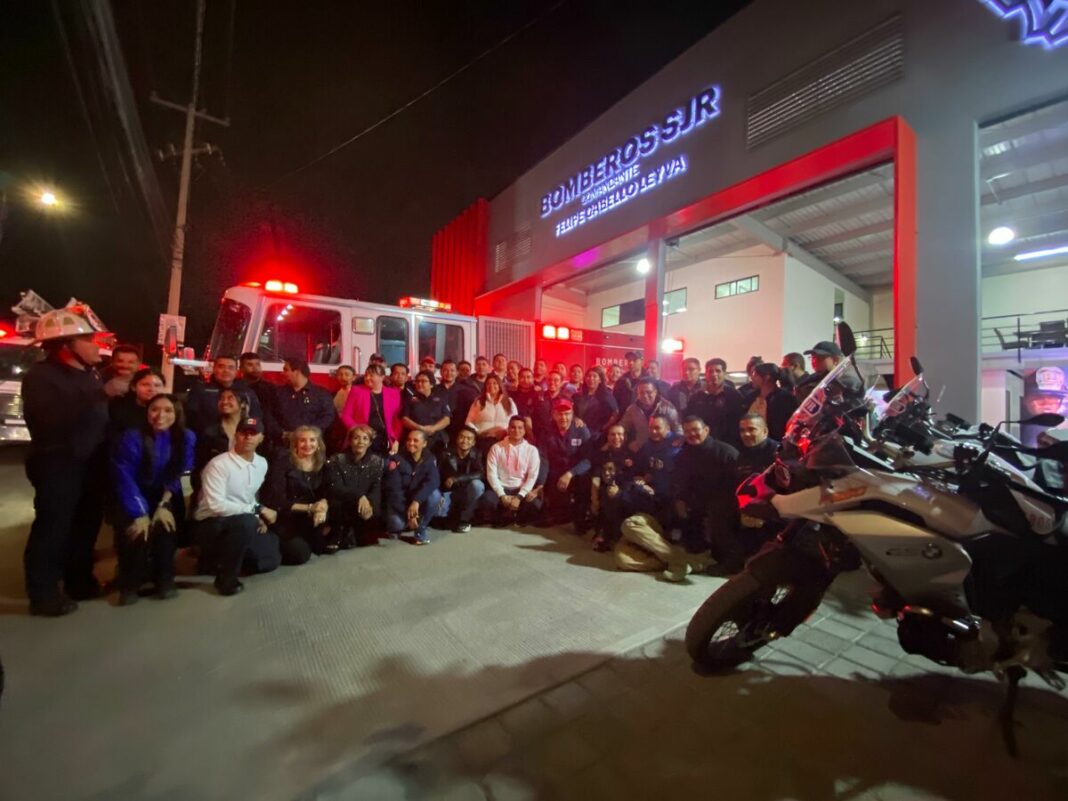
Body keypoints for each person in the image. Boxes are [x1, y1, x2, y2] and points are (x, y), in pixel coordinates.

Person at [23, 301, 120, 616]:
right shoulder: (41, 377)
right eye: (88, 340)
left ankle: (79, 581)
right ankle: (43, 594)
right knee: (54, 527)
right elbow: (49, 420)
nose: (96, 346)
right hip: (58, 464)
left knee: (85, 526)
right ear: (66, 346)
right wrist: (101, 394)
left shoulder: (90, 374)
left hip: (90, 465)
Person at [110, 394, 195, 605]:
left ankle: (164, 579)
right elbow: (124, 476)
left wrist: (164, 504)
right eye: (154, 409)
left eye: (168, 410)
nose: (160, 415)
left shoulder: (186, 438)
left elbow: (179, 475)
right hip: (133, 492)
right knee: (138, 531)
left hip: (165, 493)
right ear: (147, 413)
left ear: (177, 414)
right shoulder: (132, 437)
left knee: (166, 526)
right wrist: (140, 513)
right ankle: (130, 584)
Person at [193, 416, 282, 596]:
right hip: (211, 523)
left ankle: (215, 561)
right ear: (236, 436)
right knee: (246, 523)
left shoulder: (261, 463)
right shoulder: (218, 464)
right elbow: (216, 505)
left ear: (261, 438)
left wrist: (257, 516)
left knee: (271, 556)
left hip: (241, 519)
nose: (248, 437)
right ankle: (226, 579)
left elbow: (248, 497)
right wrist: (257, 511)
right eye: (244, 433)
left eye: (253, 433)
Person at [670, 415, 740, 579]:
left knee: (718, 512)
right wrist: (680, 499)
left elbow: (739, 483)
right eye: (687, 431)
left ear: (706, 430)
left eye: (696, 430)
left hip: (726, 502)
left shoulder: (725, 452)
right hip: (698, 501)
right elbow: (681, 482)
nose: (692, 434)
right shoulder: (684, 455)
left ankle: (730, 562)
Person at [262, 425, 331, 563]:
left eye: (312, 440)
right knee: (300, 555)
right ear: (295, 444)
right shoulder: (282, 462)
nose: (308, 444)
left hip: (309, 516)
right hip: (286, 516)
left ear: (318, 444)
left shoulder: (322, 463)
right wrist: (310, 508)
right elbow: (276, 500)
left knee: (322, 546)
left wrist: (323, 504)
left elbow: (327, 490)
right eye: (303, 440)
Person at [322, 425, 385, 548]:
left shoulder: (377, 462)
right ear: (350, 440)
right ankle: (339, 532)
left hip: (364, 504)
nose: (360, 442)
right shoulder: (336, 459)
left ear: (370, 442)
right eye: (356, 438)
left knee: (366, 538)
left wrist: (371, 506)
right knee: (337, 504)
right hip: (343, 502)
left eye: (365, 438)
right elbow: (335, 487)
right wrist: (359, 496)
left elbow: (375, 488)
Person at [539, 399, 592, 530]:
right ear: (553, 415)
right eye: (560, 414)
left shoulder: (581, 429)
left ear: (572, 413)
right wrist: (541, 483)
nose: (563, 417)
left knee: (584, 481)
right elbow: (543, 459)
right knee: (554, 516)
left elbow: (588, 458)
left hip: (576, 473)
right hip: (555, 473)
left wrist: (570, 473)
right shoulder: (546, 431)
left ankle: (581, 516)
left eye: (567, 413)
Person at [479, 416, 542, 526]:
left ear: (524, 430)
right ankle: (506, 513)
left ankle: (514, 513)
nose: (516, 430)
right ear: (508, 429)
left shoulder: (532, 450)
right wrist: (502, 495)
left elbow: (532, 476)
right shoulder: (496, 448)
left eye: (520, 428)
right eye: (513, 427)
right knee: (487, 501)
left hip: (520, 489)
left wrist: (519, 496)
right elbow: (491, 474)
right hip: (502, 488)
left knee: (535, 505)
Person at [384, 430, 442, 545]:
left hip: (416, 503)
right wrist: (409, 514)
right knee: (396, 524)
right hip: (399, 505)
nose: (411, 443)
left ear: (424, 444)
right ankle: (408, 524)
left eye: (416, 440)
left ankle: (421, 529)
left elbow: (434, 481)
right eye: (409, 440)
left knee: (435, 495)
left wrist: (416, 501)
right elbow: (394, 492)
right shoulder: (396, 459)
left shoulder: (430, 459)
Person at [185, 355, 262, 438]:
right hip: (208, 439)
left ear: (237, 371)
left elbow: (256, 417)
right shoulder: (200, 390)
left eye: (231, 368)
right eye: (221, 367)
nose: (226, 371)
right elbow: (191, 417)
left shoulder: (247, 392)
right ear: (214, 369)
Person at [339, 364, 403, 457]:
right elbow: (346, 416)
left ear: (382, 377)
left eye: (371, 375)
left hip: (384, 438)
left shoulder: (393, 393)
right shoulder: (356, 391)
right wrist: (358, 431)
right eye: (366, 375)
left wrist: (396, 440)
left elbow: (397, 420)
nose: (367, 378)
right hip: (362, 439)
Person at [589, 423, 634, 551]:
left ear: (624, 436)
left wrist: (619, 491)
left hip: (625, 490)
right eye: (612, 434)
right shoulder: (602, 454)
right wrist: (594, 498)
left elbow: (633, 478)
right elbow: (596, 477)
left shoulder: (630, 453)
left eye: (619, 434)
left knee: (613, 498)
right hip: (606, 489)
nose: (616, 437)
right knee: (604, 496)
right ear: (608, 437)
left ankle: (607, 535)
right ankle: (604, 533)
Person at [272, 357, 336, 446]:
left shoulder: (321, 394)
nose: (282, 373)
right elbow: (270, 416)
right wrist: (282, 434)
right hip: (283, 445)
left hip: (311, 445)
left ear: (297, 371)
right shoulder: (277, 393)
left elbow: (327, 417)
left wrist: (308, 434)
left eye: (286, 370)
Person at [437, 425, 485, 532]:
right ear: (457, 438)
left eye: (469, 439)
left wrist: (456, 478)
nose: (464, 441)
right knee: (439, 514)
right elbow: (437, 474)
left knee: (477, 485)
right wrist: (439, 493)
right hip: (449, 492)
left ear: (473, 443)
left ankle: (465, 519)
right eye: (462, 437)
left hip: (467, 492)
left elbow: (480, 474)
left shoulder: (477, 454)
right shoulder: (446, 454)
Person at [688, 358, 744, 448]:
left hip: (728, 444)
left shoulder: (734, 396)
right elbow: (689, 418)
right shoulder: (697, 396)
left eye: (718, 371)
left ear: (724, 373)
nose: (714, 374)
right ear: (706, 373)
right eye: (710, 371)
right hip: (702, 443)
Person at [619, 377, 682, 452]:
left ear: (655, 392)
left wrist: (678, 441)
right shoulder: (632, 409)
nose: (645, 396)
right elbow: (622, 427)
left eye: (649, 392)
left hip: (663, 450)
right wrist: (628, 443)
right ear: (637, 393)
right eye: (641, 393)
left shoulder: (667, 407)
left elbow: (677, 428)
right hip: (641, 450)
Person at [465, 374, 518, 454]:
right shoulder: (479, 402)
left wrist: (506, 431)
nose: (491, 386)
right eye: (488, 384)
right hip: (484, 441)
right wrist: (480, 432)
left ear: (500, 386)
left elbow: (515, 421)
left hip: (505, 440)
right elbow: (468, 421)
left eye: (494, 383)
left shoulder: (509, 402)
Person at [402, 369, 452, 453]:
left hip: (436, 439)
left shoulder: (440, 398)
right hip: (415, 441)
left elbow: (447, 419)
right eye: (417, 381)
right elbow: (404, 419)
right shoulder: (410, 400)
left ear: (431, 384)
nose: (419, 384)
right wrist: (420, 428)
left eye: (423, 381)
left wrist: (433, 428)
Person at [747, 362, 799, 441]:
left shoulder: (785, 398)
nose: (752, 378)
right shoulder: (751, 397)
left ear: (767, 377)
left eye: (755, 375)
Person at [796, 340, 862, 401]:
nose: (814, 361)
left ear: (835, 360)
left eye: (819, 358)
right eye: (812, 358)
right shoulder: (808, 382)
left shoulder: (850, 383)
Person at [109, 367, 165, 435]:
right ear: (133, 387)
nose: (152, 389)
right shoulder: (118, 407)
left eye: (157, 385)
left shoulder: (169, 410)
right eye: (145, 385)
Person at [435, 359, 479, 440]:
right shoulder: (433, 391)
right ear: (441, 372)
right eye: (445, 370)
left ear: (457, 373)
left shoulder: (466, 391)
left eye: (452, 370)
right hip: (438, 431)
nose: (449, 373)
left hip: (460, 431)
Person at [573, 367, 618, 441]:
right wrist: (576, 419)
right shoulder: (577, 396)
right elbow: (572, 412)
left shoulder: (606, 396)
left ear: (600, 380)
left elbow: (615, 414)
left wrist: (603, 428)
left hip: (597, 435)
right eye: (588, 376)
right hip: (579, 432)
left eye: (594, 376)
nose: (591, 378)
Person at [238, 352, 277, 422]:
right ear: (241, 368)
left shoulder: (270, 389)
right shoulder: (236, 387)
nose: (255, 368)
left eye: (257, 364)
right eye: (250, 365)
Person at [510, 367, 544, 441]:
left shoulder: (538, 393)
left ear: (533, 379)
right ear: (518, 378)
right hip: (516, 426)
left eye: (528, 377)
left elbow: (541, 413)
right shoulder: (512, 394)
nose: (525, 380)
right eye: (522, 377)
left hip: (535, 427)